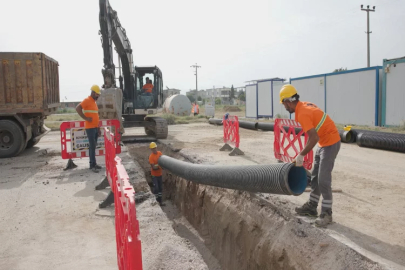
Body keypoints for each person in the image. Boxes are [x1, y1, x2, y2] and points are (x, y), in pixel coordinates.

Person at [280, 84, 341, 227]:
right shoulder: (304, 105)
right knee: (315, 177)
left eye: (284, 104)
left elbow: (314, 137)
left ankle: (327, 214)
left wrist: (301, 155)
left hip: (330, 143)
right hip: (323, 143)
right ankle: (312, 206)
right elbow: (312, 134)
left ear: (288, 101)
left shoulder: (302, 113)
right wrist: (303, 152)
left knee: (323, 180)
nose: (284, 107)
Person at [76, 85, 102, 173]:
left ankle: (94, 163)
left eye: (99, 94)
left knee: (94, 147)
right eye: (97, 94)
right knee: (92, 147)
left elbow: (96, 116)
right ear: (93, 92)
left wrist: (98, 128)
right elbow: (78, 108)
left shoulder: (94, 102)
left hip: (95, 127)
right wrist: (86, 118)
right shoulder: (87, 100)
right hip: (90, 128)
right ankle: (92, 165)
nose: (98, 96)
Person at [149, 142, 165, 206]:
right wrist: (160, 166)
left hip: (159, 174)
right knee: (156, 188)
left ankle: (160, 202)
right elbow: (153, 167)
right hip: (154, 175)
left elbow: (163, 162)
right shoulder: (151, 157)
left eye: (155, 148)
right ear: (151, 149)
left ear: (156, 147)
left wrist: (162, 166)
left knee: (160, 188)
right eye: (153, 148)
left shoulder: (160, 153)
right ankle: (156, 202)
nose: (154, 149)